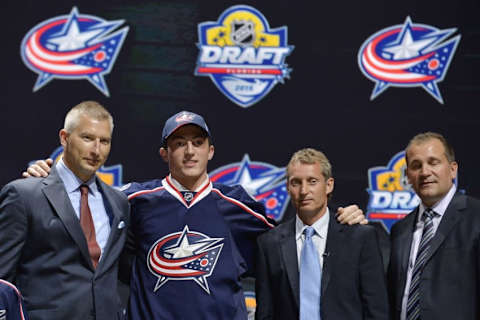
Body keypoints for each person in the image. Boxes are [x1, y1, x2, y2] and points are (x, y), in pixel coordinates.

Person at [23, 111, 366, 319]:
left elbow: (293, 245)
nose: (189, 151)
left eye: (197, 142)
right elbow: (76, 208)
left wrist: (342, 221)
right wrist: (46, 179)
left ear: (211, 150)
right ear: (164, 153)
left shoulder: (239, 205)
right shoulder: (133, 199)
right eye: (179, 143)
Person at [0, 101, 130, 320]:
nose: (96, 150)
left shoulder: (119, 202)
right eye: (87, 138)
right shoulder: (24, 194)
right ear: (64, 137)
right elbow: (2, 281)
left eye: (104, 141)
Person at [255, 148, 389, 320]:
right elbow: (265, 313)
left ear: (328, 185)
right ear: (288, 187)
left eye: (312, 181)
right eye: (296, 182)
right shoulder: (269, 244)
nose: (304, 191)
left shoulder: (360, 238)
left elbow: (376, 310)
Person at [388, 132, 480, 320]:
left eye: (433, 162)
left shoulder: (476, 216)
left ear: (453, 169)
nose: (424, 172)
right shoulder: (400, 229)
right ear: (408, 176)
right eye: (416, 166)